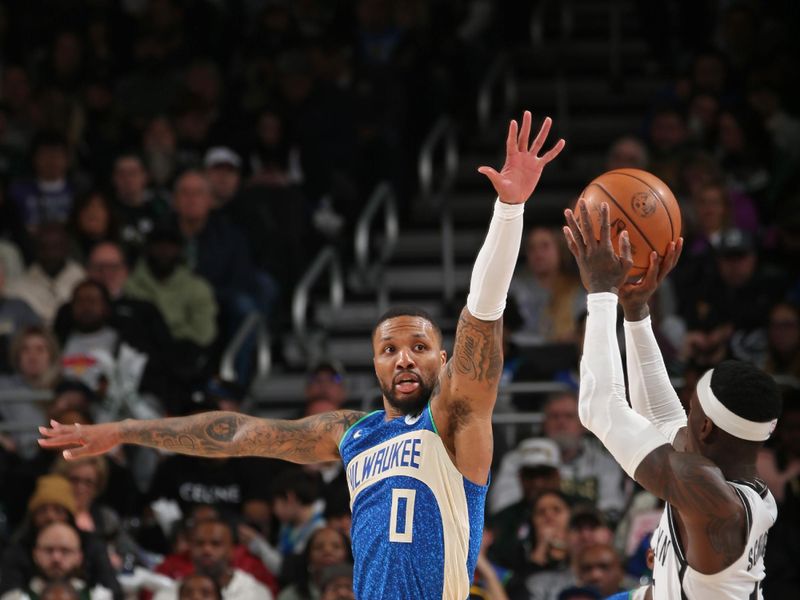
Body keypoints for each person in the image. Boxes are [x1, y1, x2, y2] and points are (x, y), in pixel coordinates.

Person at [38, 111, 565, 599]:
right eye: (389, 349)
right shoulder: (351, 433)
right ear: (375, 364)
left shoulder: (455, 420)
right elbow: (237, 434)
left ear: (443, 361)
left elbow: (481, 316)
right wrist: (125, 430)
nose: (404, 358)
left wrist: (508, 210)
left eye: (419, 347)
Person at [561, 199, 783, 598]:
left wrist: (600, 293)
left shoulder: (710, 497)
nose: (682, 409)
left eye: (691, 405)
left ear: (706, 428)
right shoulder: (722, 477)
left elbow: (598, 408)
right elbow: (662, 416)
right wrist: (635, 310)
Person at [0, 522, 113, 600]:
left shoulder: (100, 597)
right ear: (35, 555)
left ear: (79, 557)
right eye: (48, 550)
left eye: (65, 551)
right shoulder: (14, 598)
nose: (56, 558)